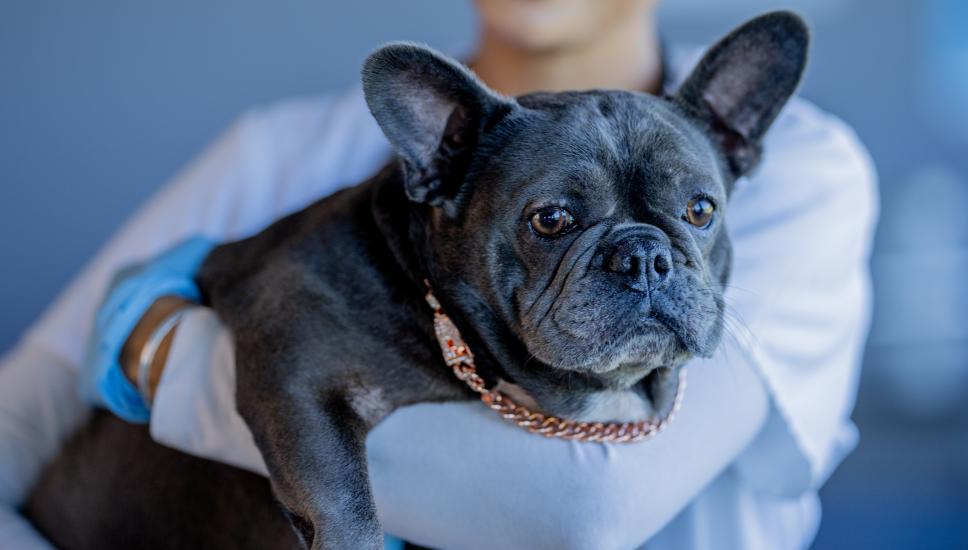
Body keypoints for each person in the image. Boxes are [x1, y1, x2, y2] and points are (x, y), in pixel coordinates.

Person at [0, 0, 878, 548]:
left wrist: (174, 360)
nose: (644, 264)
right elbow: (19, 423)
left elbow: (582, 513)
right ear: (439, 160)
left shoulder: (811, 169)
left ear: (734, 148)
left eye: (690, 217)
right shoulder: (279, 153)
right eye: (553, 221)